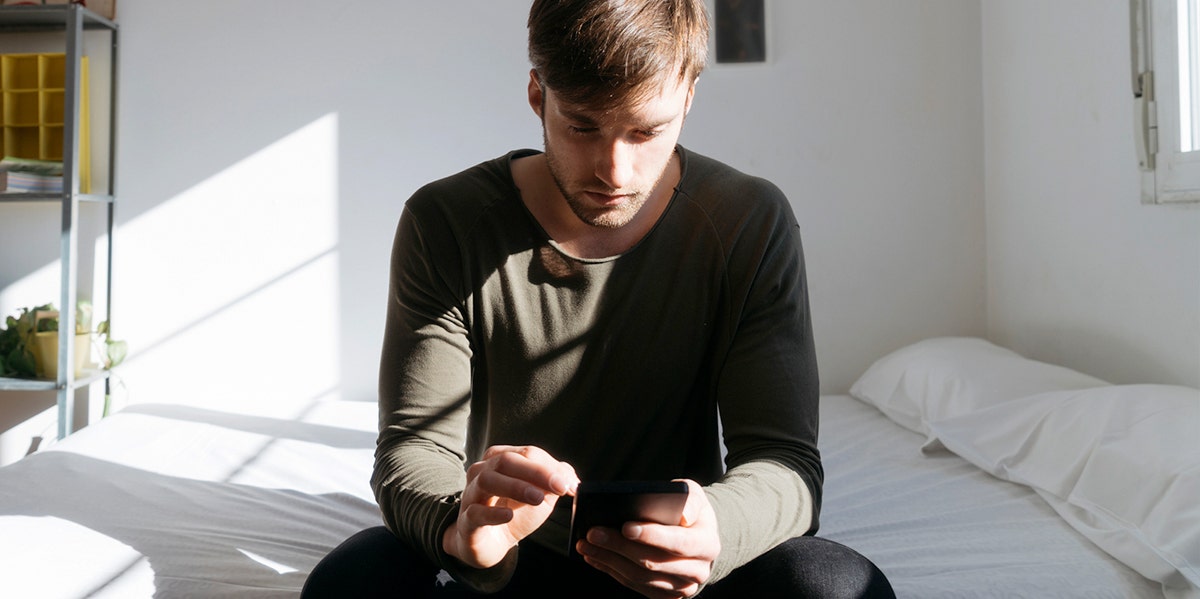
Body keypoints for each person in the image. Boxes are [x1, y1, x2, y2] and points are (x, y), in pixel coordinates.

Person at [303, 1, 894, 597]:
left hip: (681, 566)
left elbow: (785, 461)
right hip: (507, 565)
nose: (614, 171)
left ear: (688, 95)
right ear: (538, 94)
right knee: (355, 580)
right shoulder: (448, 222)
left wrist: (716, 529)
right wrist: (462, 528)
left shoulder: (748, 222)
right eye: (583, 126)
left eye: (646, 131)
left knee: (837, 585)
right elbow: (414, 446)